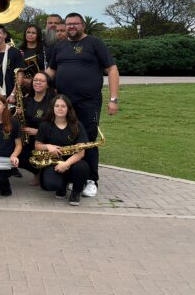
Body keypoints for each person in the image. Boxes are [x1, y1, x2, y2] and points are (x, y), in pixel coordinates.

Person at [46, 12, 119, 198]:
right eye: (68, 24)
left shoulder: (95, 43)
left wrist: (113, 99)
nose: (71, 26)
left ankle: (91, 179)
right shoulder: (59, 46)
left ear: (83, 25)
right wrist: (39, 82)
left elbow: (112, 69)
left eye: (75, 23)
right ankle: (71, 175)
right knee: (66, 139)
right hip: (64, 103)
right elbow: (51, 71)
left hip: (88, 102)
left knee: (88, 140)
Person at [34, 94, 90, 206]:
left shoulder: (77, 125)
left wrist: (66, 164)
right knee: (49, 184)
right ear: (52, 108)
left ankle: (76, 192)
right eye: (57, 106)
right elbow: (37, 145)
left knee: (82, 167)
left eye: (63, 106)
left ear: (68, 109)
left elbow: (81, 152)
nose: (60, 108)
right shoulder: (45, 125)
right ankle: (62, 187)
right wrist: (48, 146)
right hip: (53, 162)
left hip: (72, 162)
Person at [17, 70, 55, 185]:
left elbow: (56, 126)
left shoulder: (52, 103)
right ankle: (37, 172)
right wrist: (19, 114)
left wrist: (38, 132)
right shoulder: (27, 100)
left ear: (47, 85)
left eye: (41, 81)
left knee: (47, 183)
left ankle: (41, 172)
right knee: (18, 156)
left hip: (45, 139)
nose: (37, 82)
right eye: (35, 80)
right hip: (27, 139)